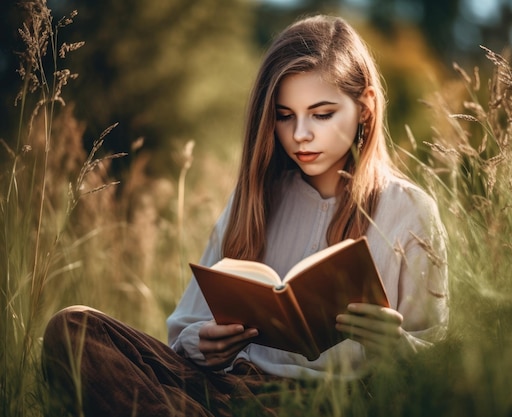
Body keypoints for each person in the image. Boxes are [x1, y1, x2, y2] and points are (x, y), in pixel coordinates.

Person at [42, 14, 448, 417]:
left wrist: (398, 345)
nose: (300, 134)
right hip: (228, 390)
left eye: (322, 114)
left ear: (365, 107)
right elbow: (186, 330)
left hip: (335, 403)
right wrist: (205, 344)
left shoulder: (408, 211)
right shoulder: (253, 199)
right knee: (74, 330)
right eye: (284, 115)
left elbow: (437, 370)